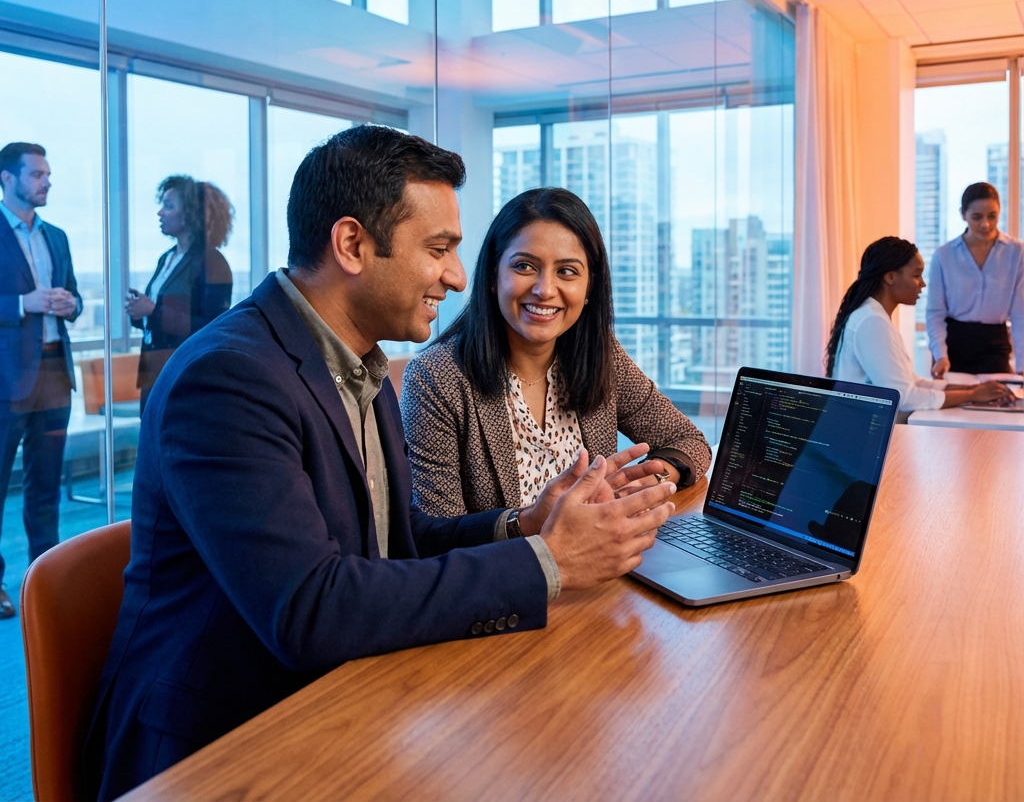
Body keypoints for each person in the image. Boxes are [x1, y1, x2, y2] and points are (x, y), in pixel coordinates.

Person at [83, 125, 677, 801]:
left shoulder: (357, 365)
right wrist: (552, 563)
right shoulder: (229, 379)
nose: (457, 276)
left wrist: (525, 526)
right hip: (223, 748)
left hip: (341, 701)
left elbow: (399, 543)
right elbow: (310, 609)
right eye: (439, 249)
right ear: (352, 245)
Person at [402, 187, 712, 519]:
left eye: (567, 271)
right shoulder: (435, 378)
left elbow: (688, 440)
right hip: (511, 570)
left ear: (589, 285)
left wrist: (650, 478)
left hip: (601, 561)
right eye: (524, 266)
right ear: (493, 275)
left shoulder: (600, 354)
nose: (545, 290)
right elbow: (437, 534)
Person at [0, 142, 82, 620]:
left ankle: (42, 575)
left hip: (54, 373)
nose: (46, 182)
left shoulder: (57, 236)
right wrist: (19, 305)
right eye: (36, 175)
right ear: (8, 180)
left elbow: (68, 295)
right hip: (7, 382)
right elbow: (22, 303)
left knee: (45, 484)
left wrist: (71, 304)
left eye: (47, 174)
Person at [826, 236, 1014, 414]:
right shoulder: (872, 321)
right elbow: (903, 397)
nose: (922, 284)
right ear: (890, 277)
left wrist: (971, 389)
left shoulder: (872, 314)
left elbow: (910, 382)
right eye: (916, 275)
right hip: (859, 435)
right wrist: (972, 395)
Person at [126, 176, 234, 414]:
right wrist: (140, 311)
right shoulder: (166, 258)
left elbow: (213, 328)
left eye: (169, 205)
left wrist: (153, 311)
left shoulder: (212, 262)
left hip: (183, 374)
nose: (160, 213)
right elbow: (158, 316)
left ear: (190, 213)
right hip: (154, 372)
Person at [926, 182, 1024, 376]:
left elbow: (1020, 314)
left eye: (992, 216)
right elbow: (935, 313)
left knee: (1000, 402)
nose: (985, 224)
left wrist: (1022, 368)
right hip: (954, 345)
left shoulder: (1017, 252)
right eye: (976, 217)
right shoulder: (943, 256)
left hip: (996, 344)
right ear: (963, 214)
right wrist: (940, 355)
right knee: (953, 403)